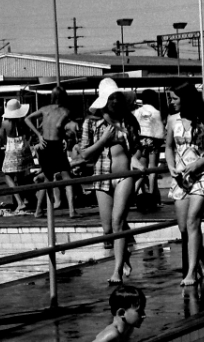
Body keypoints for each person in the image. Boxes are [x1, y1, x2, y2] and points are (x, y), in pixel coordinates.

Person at [79, 80, 140, 285]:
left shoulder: (128, 120)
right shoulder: (91, 123)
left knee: (117, 223)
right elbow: (85, 154)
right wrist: (104, 140)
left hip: (124, 176)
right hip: (102, 176)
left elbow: (137, 148)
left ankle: (117, 270)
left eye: (117, 97)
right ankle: (125, 255)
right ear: (104, 101)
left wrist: (134, 157)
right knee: (108, 228)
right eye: (111, 98)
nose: (115, 101)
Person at [165, 82, 204, 286]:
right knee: (184, 226)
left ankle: (191, 272)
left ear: (186, 99)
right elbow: (169, 147)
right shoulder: (172, 121)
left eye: (174, 98)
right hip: (181, 179)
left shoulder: (202, 120)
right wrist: (171, 166)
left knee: (192, 221)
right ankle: (201, 253)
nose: (171, 102)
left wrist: (199, 163)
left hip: (202, 176)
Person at [25, 86, 78, 218]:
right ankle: (72, 210)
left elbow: (27, 119)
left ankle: (38, 210)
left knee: (47, 179)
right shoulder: (65, 111)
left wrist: (39, 135)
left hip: (45, 145)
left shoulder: (45, 109)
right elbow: (60, 126)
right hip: (56, 145)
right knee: (67, 178)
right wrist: (66, 136)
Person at [132, 89, 166, 210]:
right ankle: (152, 196)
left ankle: (133, 194)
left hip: (140, 142)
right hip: (153, 141)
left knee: (141, 170)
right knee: (153, 169)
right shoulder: (156, 112)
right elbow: (160, 130)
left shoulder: (137, 112)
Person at [0, 98, 34, 214]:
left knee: (8, 175)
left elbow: (1, 137)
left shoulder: (5, 123)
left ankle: (20, 202)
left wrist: (2, 143)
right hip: (23, 148)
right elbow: (28, 135)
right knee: (21, 175)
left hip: (11, 149)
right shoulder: (23, 122)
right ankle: (26, 199)